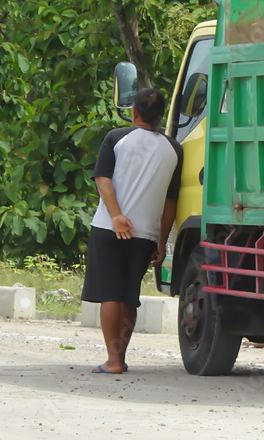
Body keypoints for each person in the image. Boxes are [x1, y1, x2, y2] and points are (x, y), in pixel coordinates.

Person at [81, 88, 182, 374]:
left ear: (134, 113)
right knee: (128, 296)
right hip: (145, 235)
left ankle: (113, 362)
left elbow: (103, 180)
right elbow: (171, 201)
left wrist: (116, 216)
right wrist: (162, 242)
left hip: (108, 229)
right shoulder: (174, 149)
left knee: (110, 294)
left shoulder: (116, 137)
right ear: (161, 115)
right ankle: (120, 357)